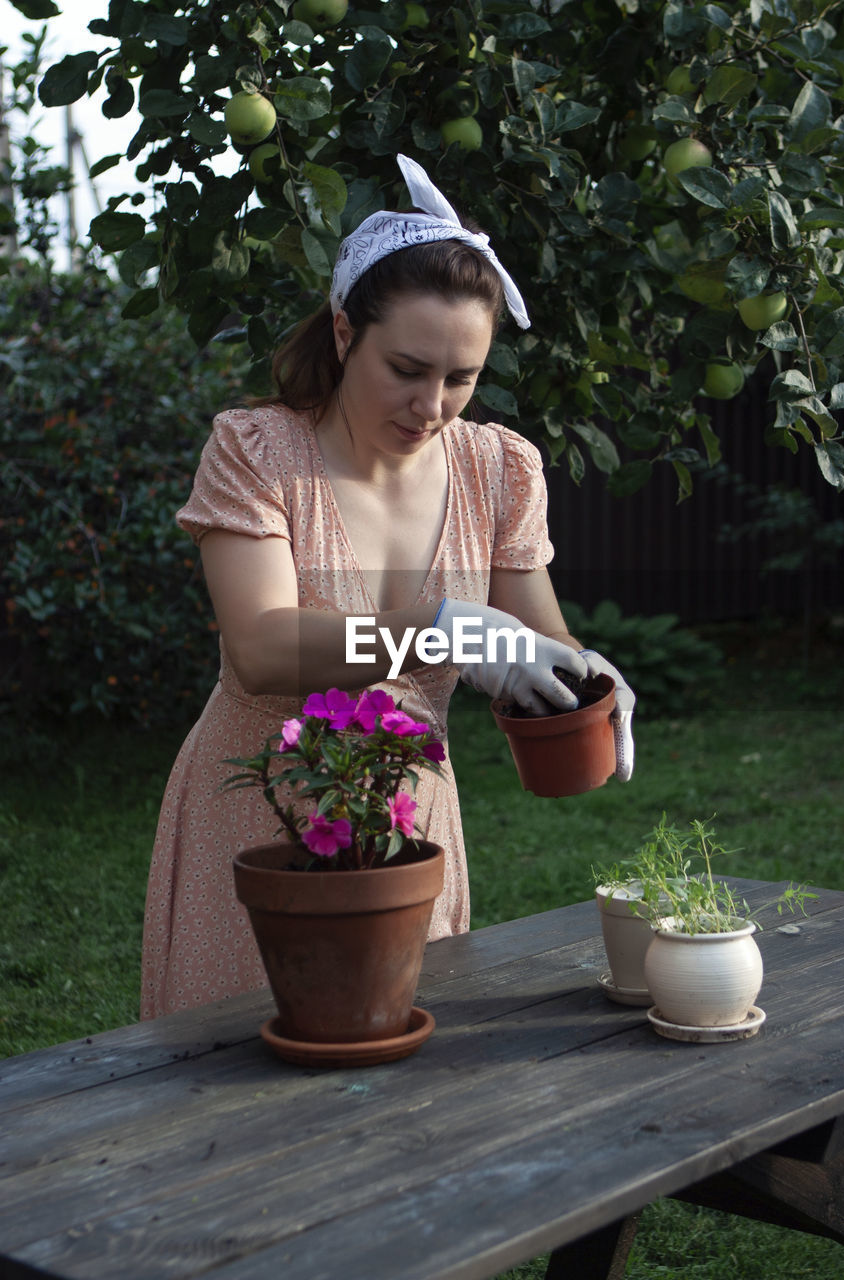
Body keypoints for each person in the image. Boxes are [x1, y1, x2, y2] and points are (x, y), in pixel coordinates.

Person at [140, 154, 635, 1020]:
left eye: (460, 378)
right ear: (343, 334)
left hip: (411, 824)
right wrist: (443, 627)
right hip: (260, 825)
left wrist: (583, 679)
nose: (432, 404)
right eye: (406, 369)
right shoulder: (258, 454)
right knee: (230, 1094)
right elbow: (260, 652)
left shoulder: (499, 470)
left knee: (394, 1102)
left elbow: (531, 640)